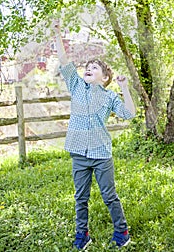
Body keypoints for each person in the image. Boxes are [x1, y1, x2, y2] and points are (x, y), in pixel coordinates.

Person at [52, 19, 136, 250]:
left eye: (94, 68)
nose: (88, 69)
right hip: (79, 153)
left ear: (105, 78)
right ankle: (82, 234)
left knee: (109, 196)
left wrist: (125, 88)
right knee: (81, 198)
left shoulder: (109, 97)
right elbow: (63, 60)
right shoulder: (77, 86)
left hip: (101, 154)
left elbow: (129, 113)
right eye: (87, 67)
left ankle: (122, 231)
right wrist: (58, 32)